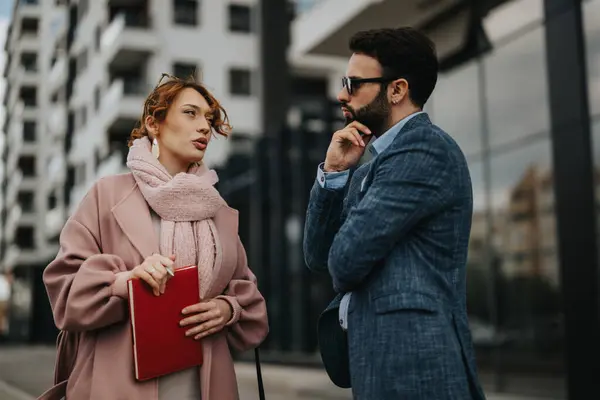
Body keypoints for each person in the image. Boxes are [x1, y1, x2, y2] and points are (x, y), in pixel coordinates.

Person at [41, 73, 269, 400]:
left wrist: (227, 309)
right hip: (118, 383)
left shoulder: (219, 211)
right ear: (153, 123)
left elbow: (251, 301)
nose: (204, 126)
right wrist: (124, 282)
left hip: (202, 384)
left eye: (208, 118)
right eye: (190, 113)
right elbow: (64, 290)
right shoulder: (107, 196)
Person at [303, 27, 486, 399]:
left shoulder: (422, 150)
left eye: (353, 83)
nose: (341, 94)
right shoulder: (368, 165)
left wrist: (346, 242)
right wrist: (335, 173)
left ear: (397, 89)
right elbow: (317, 256)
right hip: (381, 365)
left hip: (418, 369)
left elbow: (345, 260)